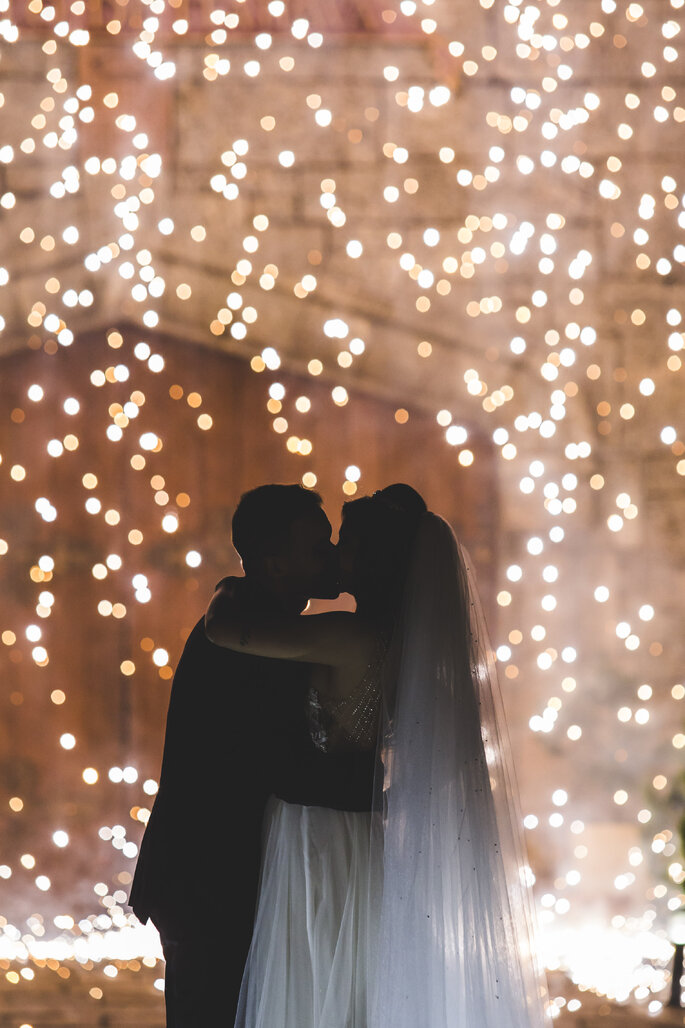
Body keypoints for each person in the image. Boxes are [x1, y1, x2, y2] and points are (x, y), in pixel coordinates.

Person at [205, 484, 548, 1028]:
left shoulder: (345, 635)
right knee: (352, 980)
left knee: (316, 980)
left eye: (347, 544)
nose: (335, 554)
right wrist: (398, 793)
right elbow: (458, 753)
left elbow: (227, 632)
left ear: (375, 560)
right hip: (363, 833)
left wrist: (228, 586)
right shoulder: (407, 643)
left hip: (316, 832)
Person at [129, 484, 375, 1027]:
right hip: (206, 878)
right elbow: (284, 769)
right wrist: (386, 796)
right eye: (318, 546)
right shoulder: (252, 641)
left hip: (221, 872)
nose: (331, 556)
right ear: (276, 564)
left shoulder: (261, 625)